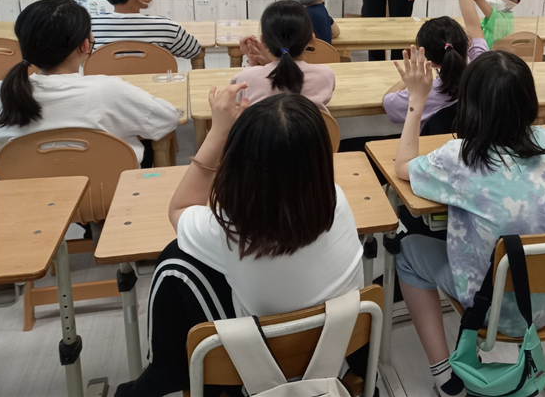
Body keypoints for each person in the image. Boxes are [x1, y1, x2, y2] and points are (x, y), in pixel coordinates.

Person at [114, 88, 364, 397]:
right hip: (333, 355)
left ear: (239, 163)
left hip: (262, 367)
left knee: (175, 259)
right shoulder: (335, 200)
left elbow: (178, 209)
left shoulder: (227, 228)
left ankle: (162, 374)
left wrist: (218, 130)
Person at [393, 48, 545, 397]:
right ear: (529, 101)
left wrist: (417, 100)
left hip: (496, 313)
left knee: (406, 252)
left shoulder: (459, 156)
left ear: (469, 103)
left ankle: (443, 374)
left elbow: (402, 167)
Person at [0, 0, 179, 166]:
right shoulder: (109, 90)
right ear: (85, 45)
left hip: (28, 199)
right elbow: (167, 119)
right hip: (108, 196)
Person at [383, 0, 487, 131]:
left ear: (429, 61)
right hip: (474, 146)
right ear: (468, 43)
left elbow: (388, 102)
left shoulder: (426, 90)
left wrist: (411, 77)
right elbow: (473, 24)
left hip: (433, 152)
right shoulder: (483, 68)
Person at [233, 0, 335, 108]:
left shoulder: (246, 79)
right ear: (311, 40)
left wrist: (252, 65)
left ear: (263, 41)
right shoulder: (325, 75)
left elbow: (237, 100)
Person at [91, 0, 202, 59]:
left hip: (107, 84)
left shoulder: (90, 26)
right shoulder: (165, 26)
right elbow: (194, 51)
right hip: (153, 83)